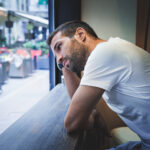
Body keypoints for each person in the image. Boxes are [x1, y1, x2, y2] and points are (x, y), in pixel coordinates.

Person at [47, 20, 150, 150]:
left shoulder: (104, 53)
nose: (58, 59)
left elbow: (72, 123)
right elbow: (80, 105)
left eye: (59, 46)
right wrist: (63, 62)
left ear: (80, 34)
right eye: (55, 56)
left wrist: (91, 116)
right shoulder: (112, 48)